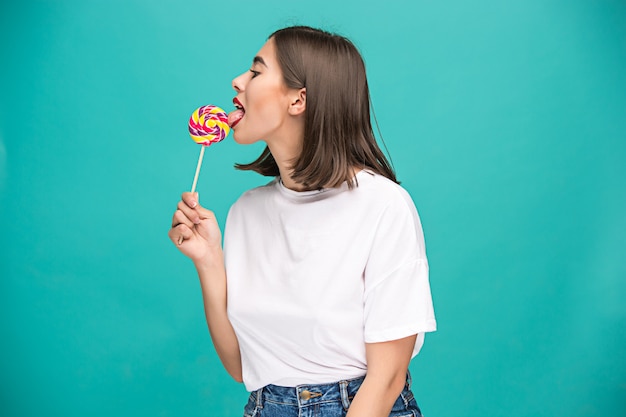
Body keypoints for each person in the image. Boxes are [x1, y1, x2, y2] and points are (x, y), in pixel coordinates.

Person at [169, 25, 436, 417]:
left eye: (256, 71)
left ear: (299, 99)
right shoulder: (245, 210)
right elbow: (243, 367)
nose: (237, 81)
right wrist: (209, 260)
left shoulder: (383, 205)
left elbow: (387, 378)